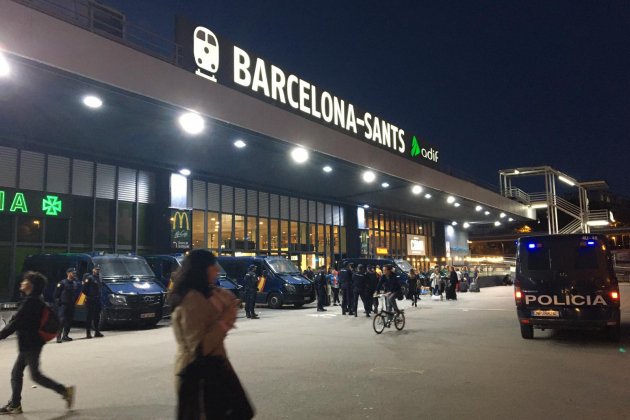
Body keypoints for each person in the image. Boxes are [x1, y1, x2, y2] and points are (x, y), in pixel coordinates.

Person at [170, 249, 252, 420]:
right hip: (200, 373)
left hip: (214, 366)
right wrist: (225, 321)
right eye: (212, 266)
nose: (217, 270)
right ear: (202, 269)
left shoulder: (206, 293)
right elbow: (199, 347)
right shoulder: (192, 299)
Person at [0, 271, 75, 414]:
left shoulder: (31, 302)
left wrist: (1, 335)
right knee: (17, 373)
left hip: (31, 344)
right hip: (30, 343)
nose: (22, 282)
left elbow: (15, 323)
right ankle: (15, 404)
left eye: (25, 280)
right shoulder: (34, 299)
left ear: (31, 285)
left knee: (35, 375)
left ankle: (65, 391)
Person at [54, 268, 78, 343]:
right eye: (72, 273)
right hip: (63, 305)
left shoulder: (74, 283)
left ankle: (65, 335)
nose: (74, 274)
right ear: (68, 273)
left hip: (71, 305)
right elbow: (56, 295)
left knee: (69, 321)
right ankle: (58, 337)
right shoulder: (62, 283)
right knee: (61, 321)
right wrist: (58, 304)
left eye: (74, 273)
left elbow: (75, 294)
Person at [82, 265, 104, 339]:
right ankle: (88, 333)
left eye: (98, 269)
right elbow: (84, 289)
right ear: (93, 270)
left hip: (98, 299)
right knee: (89, 316)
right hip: (91, 299)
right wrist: (89, 295)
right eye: (96, 269)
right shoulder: (89, 278)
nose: (97, 270)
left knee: (97, 316)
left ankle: (97, 331)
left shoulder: (99, 278)